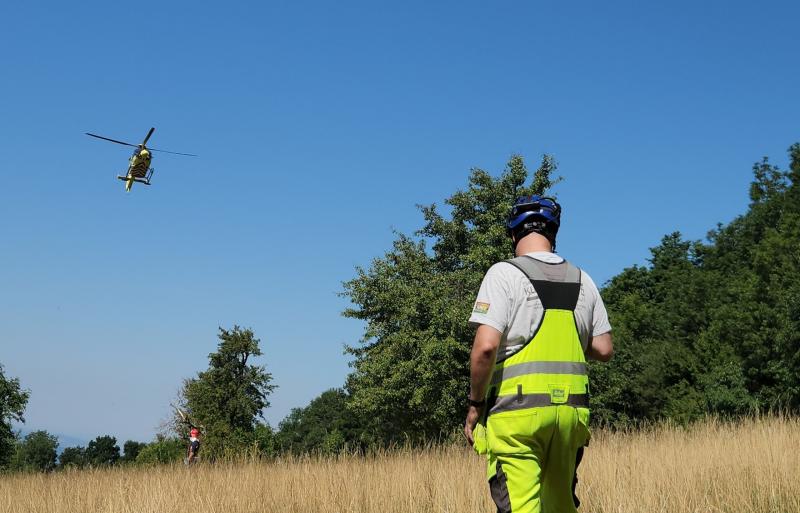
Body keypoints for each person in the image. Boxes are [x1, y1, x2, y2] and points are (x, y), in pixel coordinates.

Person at [464, 195, 613, 513]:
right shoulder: (583, 279)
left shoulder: (503, 273)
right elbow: (603, 348)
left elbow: (485, 347)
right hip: (571, 416)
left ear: (514, 234)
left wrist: (475, 405)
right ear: (553, 234)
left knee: (522, 507)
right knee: (560, 507)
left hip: (517, 414)